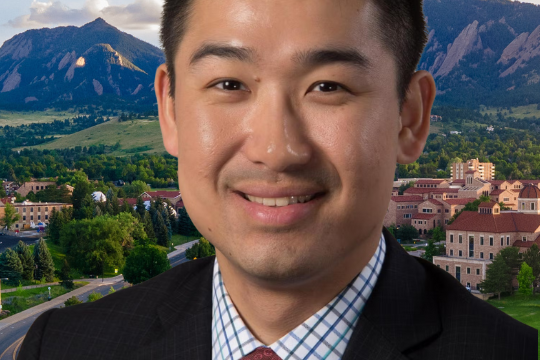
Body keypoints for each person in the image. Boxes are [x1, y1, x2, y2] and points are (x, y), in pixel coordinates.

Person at [18, 0, 538, 359]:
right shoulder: (63, 348)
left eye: (327, 86)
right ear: (169, 110)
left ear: (410, 118)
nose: (275, 149)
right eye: (228, 83)